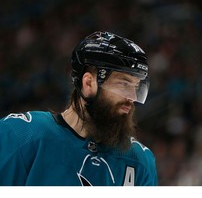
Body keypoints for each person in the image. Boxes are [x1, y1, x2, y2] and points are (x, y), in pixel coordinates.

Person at [0, 31, 158, 186]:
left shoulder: (140, 162)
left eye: (136, 87)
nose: (132, 97)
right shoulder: (21, 136)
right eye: (124, 84)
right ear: (89, 83)